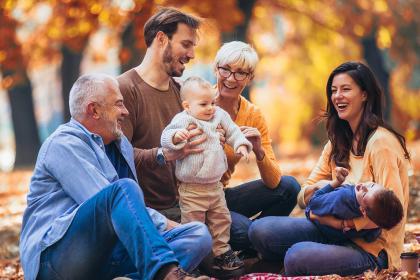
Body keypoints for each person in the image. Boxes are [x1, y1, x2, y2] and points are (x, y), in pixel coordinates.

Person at [19, 74, 212, 280]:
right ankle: (167, 274)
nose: (126, 112)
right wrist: (164, 223)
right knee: (123, 189)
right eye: (119, 104)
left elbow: (126, 215)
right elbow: (109, 201)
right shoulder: (63, 144)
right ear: (94, 110)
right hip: (55, 261)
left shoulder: (120, 146)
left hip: (104, 257)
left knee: (197, 235)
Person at [249, 61, 411, 276]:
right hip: (331, 232)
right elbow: (302, 195)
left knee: (297, 256)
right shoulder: (336, 143)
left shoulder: (381, 143)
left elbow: (392, 213)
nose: (337, 96)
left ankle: (302, 261)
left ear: (364, 94)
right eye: (334, 91)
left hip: (371, 248)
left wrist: (341, 223)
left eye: (346, 89)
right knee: (260, 230)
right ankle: (307, 259)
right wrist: (328, 186)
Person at [118, 7, 204, 223]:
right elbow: (118, 155)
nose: (192, 55)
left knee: (284, 189)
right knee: (223, 237)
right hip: (155, 212)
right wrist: (163, 154)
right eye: (186, 44)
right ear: (161, 38)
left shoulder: (182, 91)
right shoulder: (125, 89)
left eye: (193, 47)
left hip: (193, 200)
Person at [213, 41, 301, 251]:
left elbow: (273, 182)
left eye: (241, 73)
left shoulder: (253, 115)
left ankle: (258, 239)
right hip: (196, 199)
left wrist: (259, 152)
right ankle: (257, 242)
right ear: (215, 69)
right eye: (225, 69)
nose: (231, 79)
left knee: (290, 187)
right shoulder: (198, 102)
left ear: (250, 78)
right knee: (248, 233)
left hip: (222, 195)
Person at [161, 76, 252, 275]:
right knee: (193, 225)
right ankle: (190, 262)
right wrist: (176, 137)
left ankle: (222, 253)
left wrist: (241, 144)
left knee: (221, 220)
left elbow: (233, 131)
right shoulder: (183, 119)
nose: (210, 107)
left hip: (215, 186)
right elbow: (166, 136)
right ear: (187, 105)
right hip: (191, 188)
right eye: (203, 104)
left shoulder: (219, 115)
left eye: (212, 102)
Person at [305, 167, 404, 243]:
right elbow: (370, 237)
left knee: (321, 186)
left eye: (365, 193)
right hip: (344, 232)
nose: (363, 186)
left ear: (363, 211)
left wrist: (335, 182)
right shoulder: (374, 216)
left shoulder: (342, 197)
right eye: (372, 185)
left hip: (321, 224)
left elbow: (313, 203)